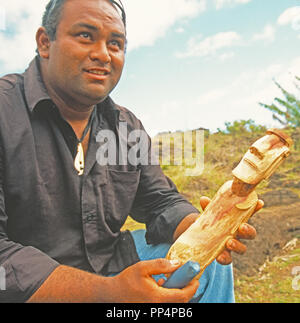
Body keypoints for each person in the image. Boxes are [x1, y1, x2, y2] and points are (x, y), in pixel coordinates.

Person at [0, 0, 262, 303]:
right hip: (28, 289)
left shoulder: (125, 127)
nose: (103, 54)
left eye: (116, 43)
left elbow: (159, 200)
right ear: (45, 42)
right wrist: (107, 294)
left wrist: (202, 230)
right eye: (85, 36)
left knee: (208, 265)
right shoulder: (6, 112)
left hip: (110, 267)